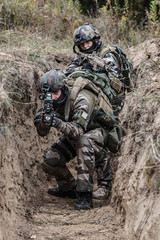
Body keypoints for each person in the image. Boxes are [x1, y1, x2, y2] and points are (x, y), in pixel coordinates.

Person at [34, 69, 123, 210]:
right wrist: (45, 122)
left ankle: (86, 194)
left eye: (55, 94)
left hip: (100, 130)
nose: (52, 97)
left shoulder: (82, 98)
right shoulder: (49, 100)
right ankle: (69, 188)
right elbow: (41, 132)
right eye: (48, 94)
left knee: (84, 142)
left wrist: (56, 123)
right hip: (79, 132)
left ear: (63, 90)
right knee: (50, 160)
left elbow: (78, 131)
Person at [64, 22, 133, 199]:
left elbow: (114, 80)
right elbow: (68, 73)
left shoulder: (107, 54)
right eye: (81, 45)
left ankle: (105, 184)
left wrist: (98, 65)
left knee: (99, 141)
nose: (85, 47)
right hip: (91, 102)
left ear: (95, 40)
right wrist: (85, 67)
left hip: (111, 105)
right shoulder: (82, 56)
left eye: (87, 43)